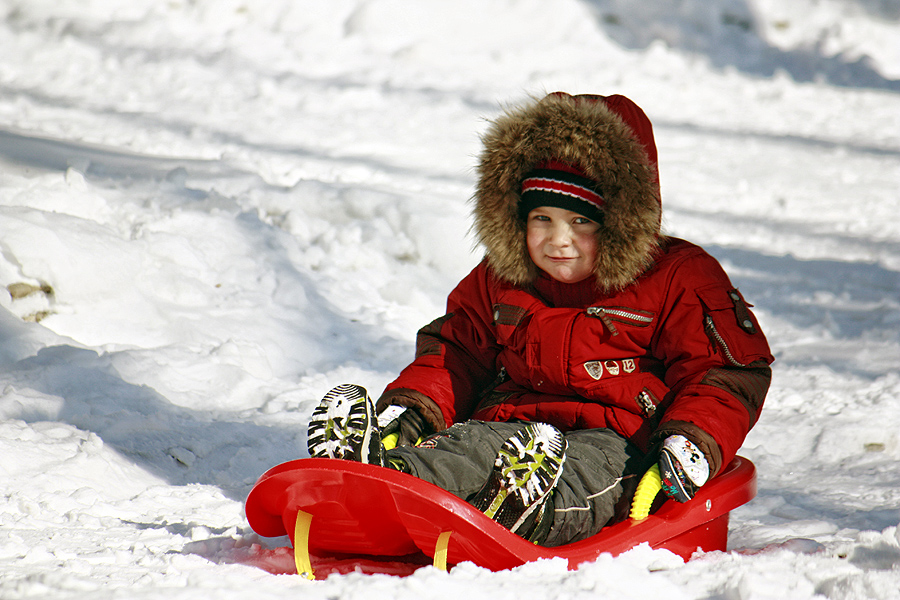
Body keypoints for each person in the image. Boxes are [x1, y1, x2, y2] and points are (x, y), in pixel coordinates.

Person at [306, 92, 774, 547]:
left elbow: (724, 371)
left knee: (586, 477)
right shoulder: (502, 278)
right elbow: (458, 352)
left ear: (621, 222)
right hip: (514, 430)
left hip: (621, 437)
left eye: (581, 222)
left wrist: (691, 440)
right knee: (466, 448)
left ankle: (526, 514)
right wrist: (414, 410)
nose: (558, 240)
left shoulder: (677, 278)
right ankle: (384, 480)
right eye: (542, 219)